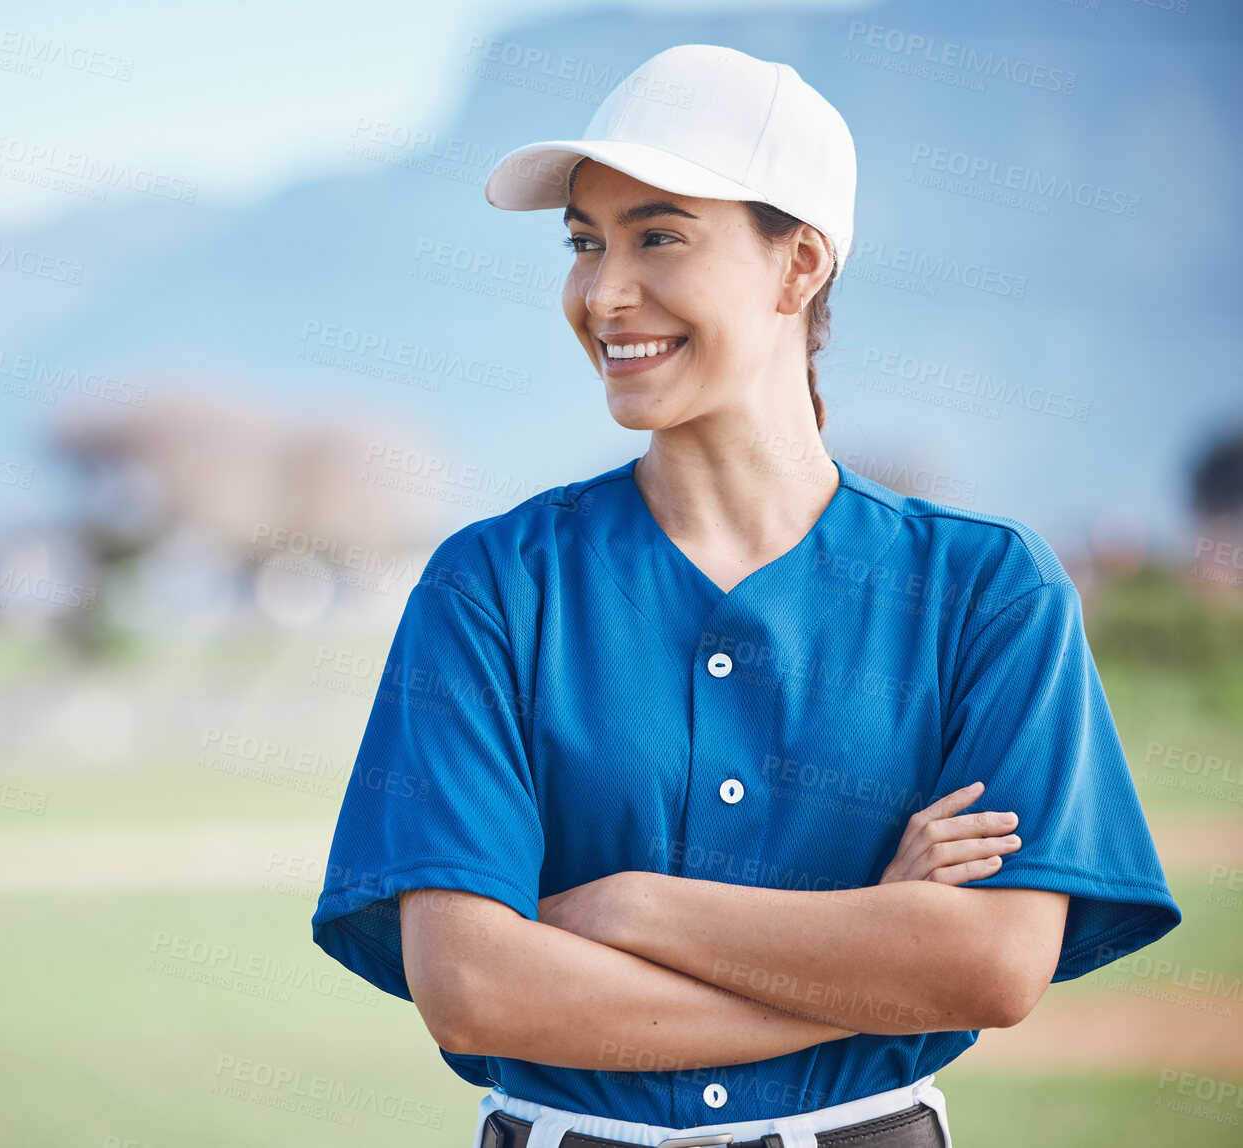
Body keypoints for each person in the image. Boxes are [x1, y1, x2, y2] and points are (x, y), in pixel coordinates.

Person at [310, 43, 1180, 1148]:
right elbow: (477, 988)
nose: (601, 292)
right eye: (584, 243)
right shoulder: (489, 586)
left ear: (798, 264)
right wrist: (872, 946)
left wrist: (626, 908)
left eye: (658, 235)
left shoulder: (988, 590)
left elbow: (992, 965)